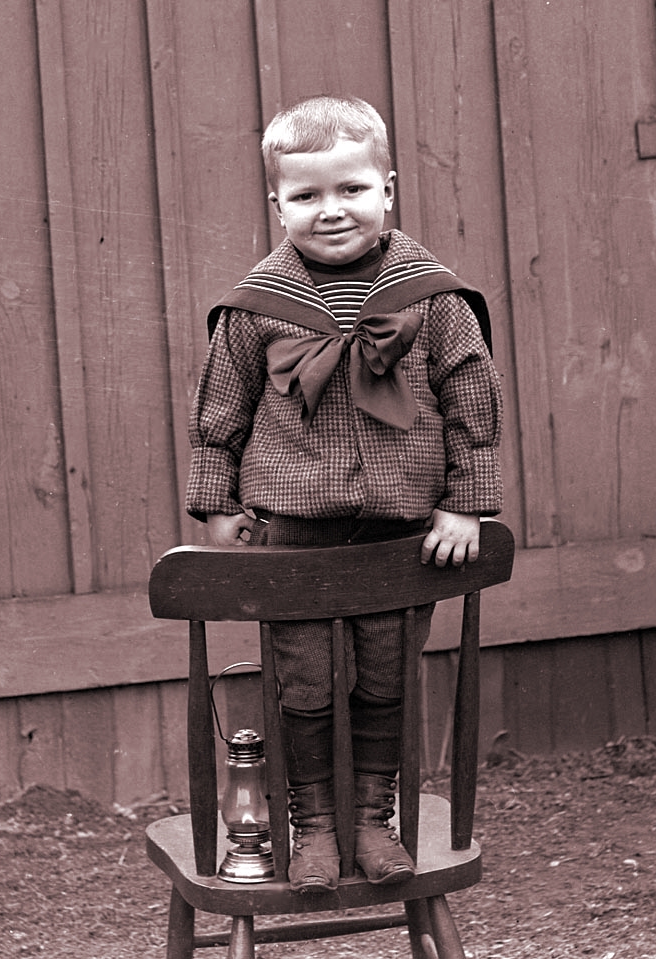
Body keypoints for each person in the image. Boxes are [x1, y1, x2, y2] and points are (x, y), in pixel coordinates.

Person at [186, 95, 503, 893]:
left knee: (386, 677)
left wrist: (466, 503)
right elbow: (216, 413)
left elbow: (474, 405)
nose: (331, 212)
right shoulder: (256, 306)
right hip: (294, 534)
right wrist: (218, 506)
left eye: (352, 189)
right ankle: (315, 824)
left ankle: (372, 819)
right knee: (302, 681)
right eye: (307, 196)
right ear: (277, 204)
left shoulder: (432, 298)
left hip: (403, 537)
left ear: (388, 188)